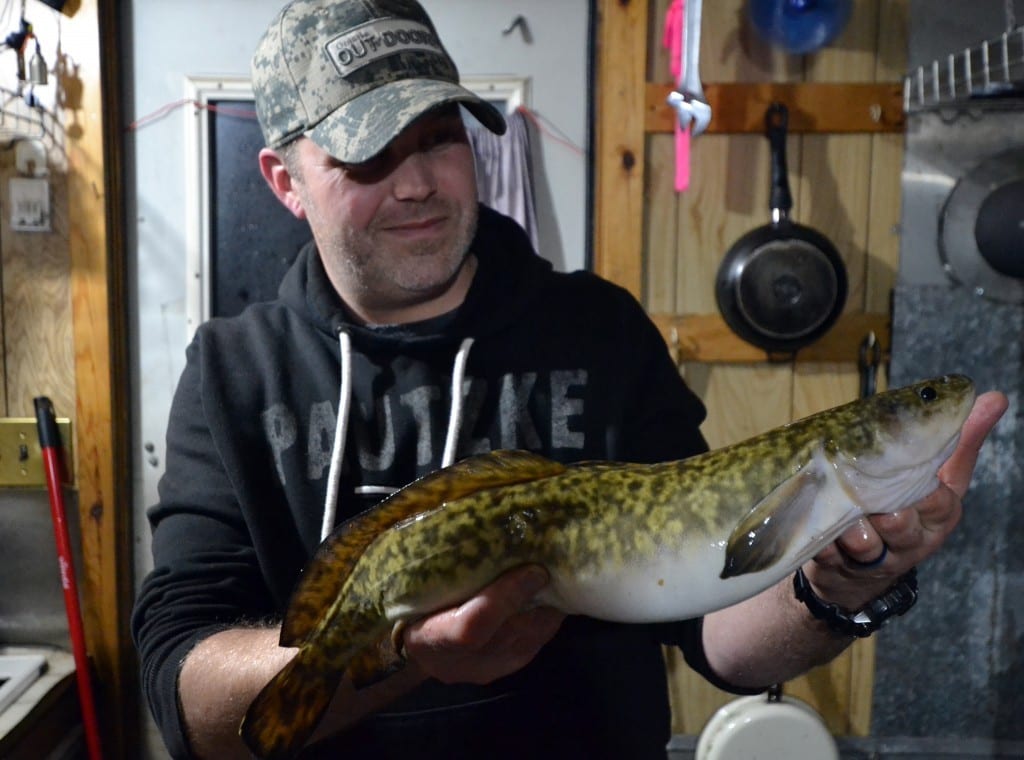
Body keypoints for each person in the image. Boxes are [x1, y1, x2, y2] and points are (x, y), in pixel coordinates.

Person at [131, 1, 1008, 758]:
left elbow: (715, 630)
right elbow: (188, 702)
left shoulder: (600, 327)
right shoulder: (230, 371)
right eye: (369, 157)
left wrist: (836, 587)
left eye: (440, 139)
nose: (419, 186)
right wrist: (396, 650)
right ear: (286, 181)